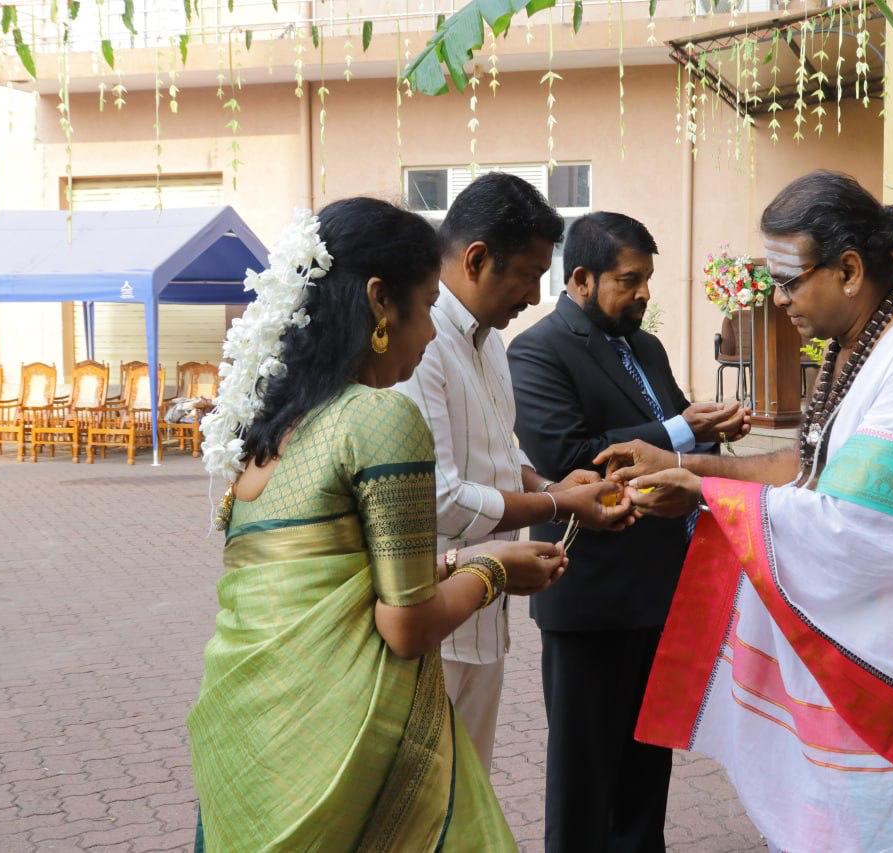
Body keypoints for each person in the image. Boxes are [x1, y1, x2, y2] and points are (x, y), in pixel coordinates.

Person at [596, 172, 893, 853]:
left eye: (788, 281)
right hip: (843, 643)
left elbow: (861, 525)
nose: (778, 300)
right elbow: (810, 467)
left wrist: (704, 495)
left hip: (888, 666)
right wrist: (686, 466)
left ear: (849, 270)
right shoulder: (859, 342)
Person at [188, 198, 569, 851]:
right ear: (380, 302)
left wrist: (451, 563)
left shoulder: (267, 433)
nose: (431, 335)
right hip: (334, 741)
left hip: (245, 733)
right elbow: (406, 625)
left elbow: (340, 576)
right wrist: (494, 568)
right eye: (425, 305)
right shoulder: (378, 416)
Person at [508, 211, 750, 853]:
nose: (644, 293)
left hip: (658, 591)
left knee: (646, 775)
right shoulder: (536, 351)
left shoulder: (645, 347)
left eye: (647, 279)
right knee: (584, 781)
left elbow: (675, 438)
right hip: (591, 597)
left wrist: (710, 432)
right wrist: (683, 430)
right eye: (629, 280)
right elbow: (568, 456)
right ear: (580, 280)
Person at [395, 173, 631, 772]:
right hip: (429, 613)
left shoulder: (490, 339)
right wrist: (559, 506)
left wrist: (550, 486)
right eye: (527, 275)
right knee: (428, 797)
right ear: (477, 260)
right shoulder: (419, 344)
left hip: (484, 612)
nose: (533, 295)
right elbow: (441, 499)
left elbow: (503, 451)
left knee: (468, 788)